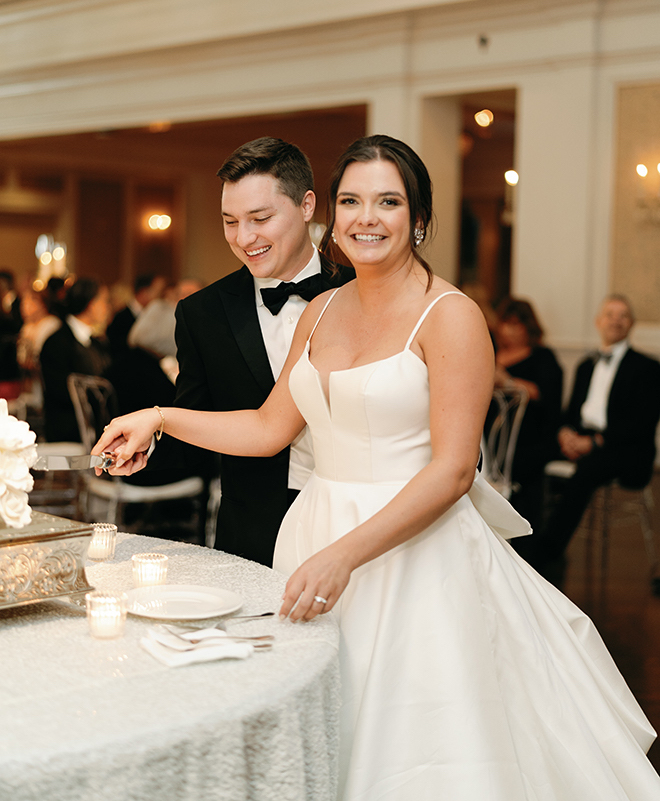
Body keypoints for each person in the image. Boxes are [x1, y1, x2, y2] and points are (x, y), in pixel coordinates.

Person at [95, 136, 660, 800]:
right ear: (330, 215)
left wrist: (345, 557)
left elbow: (453, 471)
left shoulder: (450, 316)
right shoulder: (320, 310)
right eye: (352, 201)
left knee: (413, 743)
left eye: (387, 201)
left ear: (418, 218)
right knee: (324, 728)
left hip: (415, 554)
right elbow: (267, 427)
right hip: (310, 533)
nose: (367, 217)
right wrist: (160, 416)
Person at [144, 137, 354, 566]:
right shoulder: (202, 313)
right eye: (230, 221)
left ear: (307, 205)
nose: (244, 238)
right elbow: (196, 431)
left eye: (260, 218)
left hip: (358, 523)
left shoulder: (362, 292)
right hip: (257, 533)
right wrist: (145, 443)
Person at [529, 294, 660, 578]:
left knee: (587, 470)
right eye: (610, 314)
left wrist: (596, 442)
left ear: (631, 324)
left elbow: (641, 422)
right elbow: (570, 413)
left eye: (623, 315)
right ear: (598, 322)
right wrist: (565, 434)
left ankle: (545, 553)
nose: (616, 319)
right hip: (583, 436)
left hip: (624, 447)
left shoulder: (648, 368)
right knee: (531, 455)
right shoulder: (586, 366)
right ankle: (522, 538)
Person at [490, 297, 563, 533]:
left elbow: (545, 395)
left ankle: (523, 536)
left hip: (531, 436)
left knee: (517, 464)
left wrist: (508, 381)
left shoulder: (542, 357)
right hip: (492, 434)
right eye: (506, 323)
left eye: (516, 324)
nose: (509, 330)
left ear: (528, 327)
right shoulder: (490, 354)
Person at [40, 277, 112, 442]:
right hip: (70, 431)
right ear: (90, 304)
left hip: (96, 428)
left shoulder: (95, 342)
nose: (107, 308)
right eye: (104, 301)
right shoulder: (57, 342)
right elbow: (60, 390)